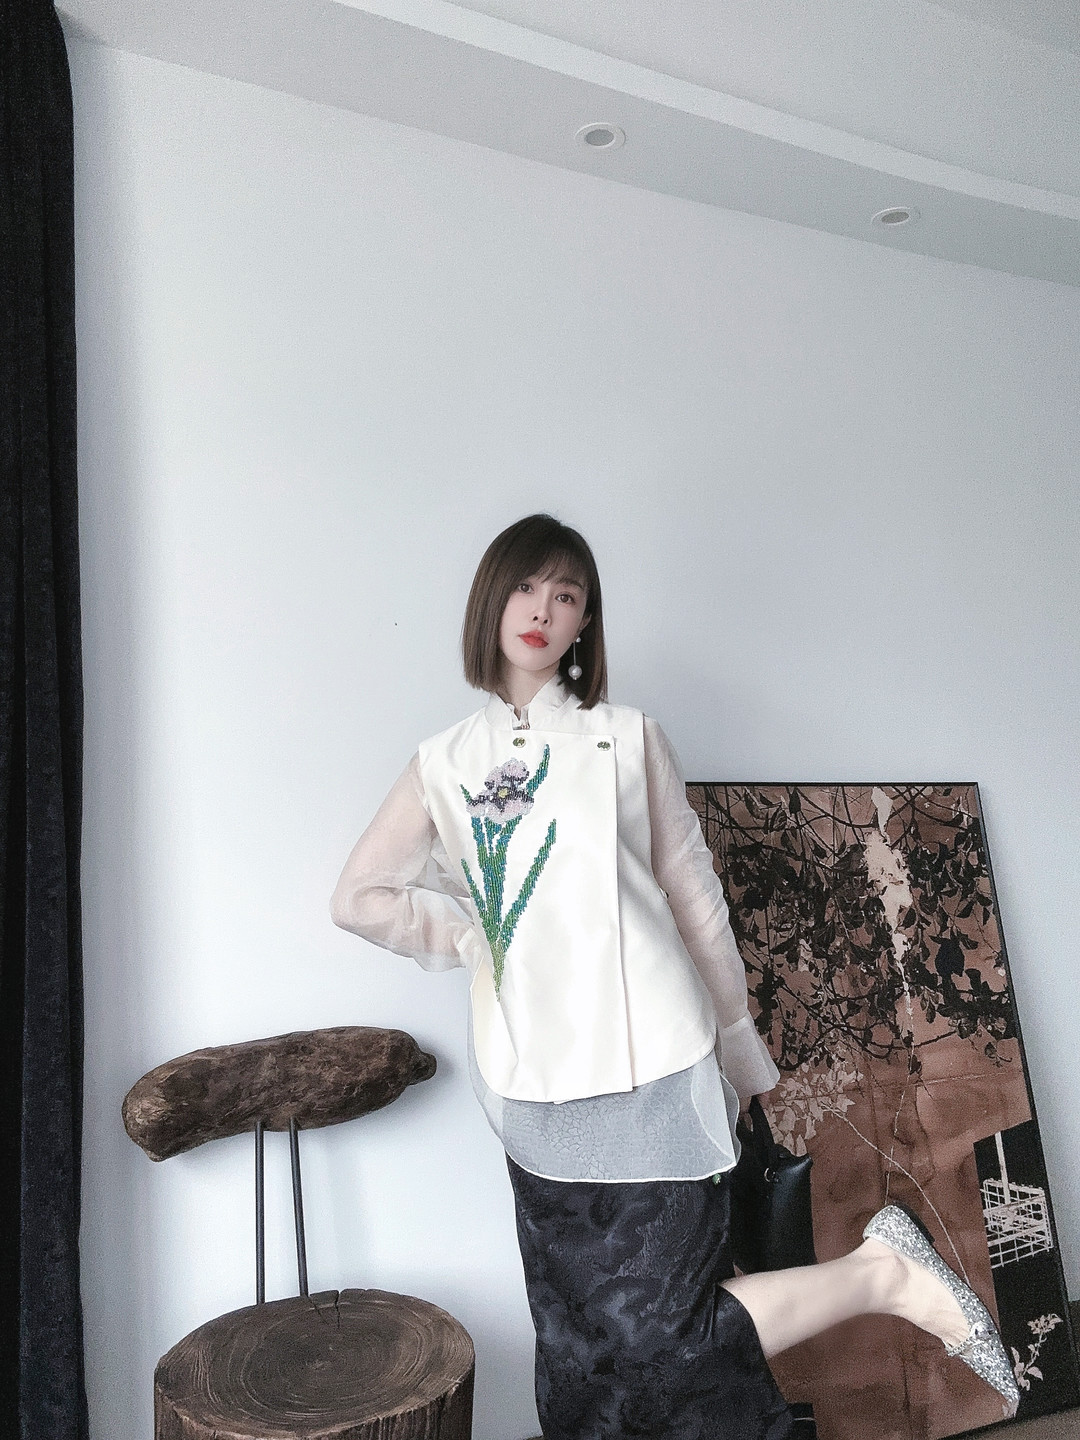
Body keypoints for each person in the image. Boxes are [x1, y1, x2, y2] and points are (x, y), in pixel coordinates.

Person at [331, 513, 1019, 1439]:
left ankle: (881, 1275)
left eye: (567, 595)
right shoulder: (443, 764)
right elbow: (361, 896)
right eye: (527, 587)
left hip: (652, 1059)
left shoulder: (627, 740)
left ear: (585, 623)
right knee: (576, 1336)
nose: (542, 610)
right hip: (530, 1079)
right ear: (491, 600)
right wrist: (477, 937)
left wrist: (740, 1057)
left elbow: (698, 907)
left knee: (666, 1334)